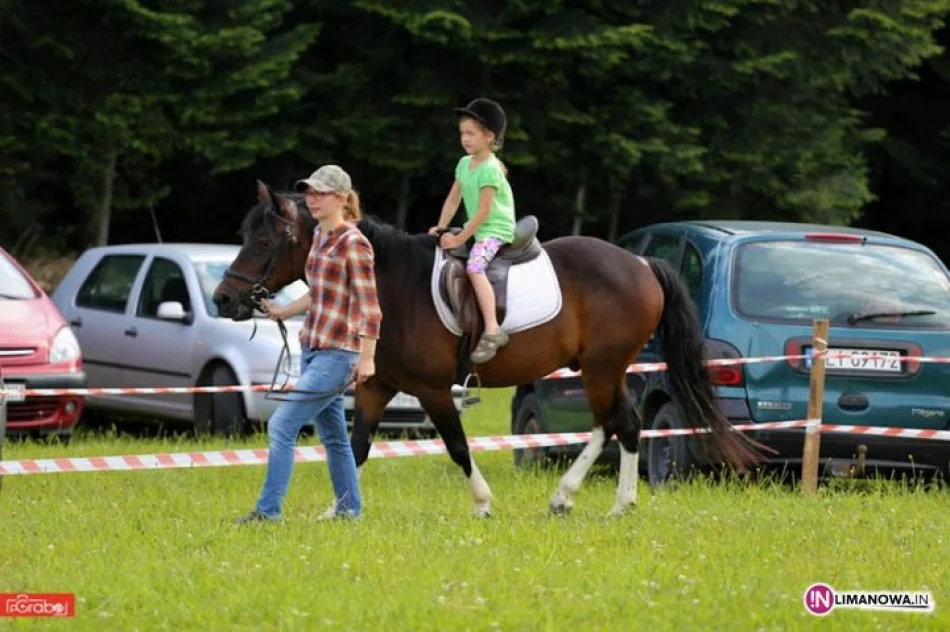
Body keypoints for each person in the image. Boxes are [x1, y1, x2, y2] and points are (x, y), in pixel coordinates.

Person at [235, 164, 382, 524]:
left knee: (282, 426)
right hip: (313, 350)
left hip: (339, 354)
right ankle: (350, 511)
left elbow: (369, 307)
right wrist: (284, 312)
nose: (311, 199)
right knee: (334, 438)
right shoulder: (318, 237)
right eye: (310, 193)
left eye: (321, 193)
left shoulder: (355, 243)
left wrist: (367, 359)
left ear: (343, 199)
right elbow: (319, 292)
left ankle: (268, 513)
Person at [429, 97, 517, 364]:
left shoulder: (490, 169)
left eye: (471, 133)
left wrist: (459, 237)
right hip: (476, 228)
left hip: (495, 228)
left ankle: (492, 329)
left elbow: (483, 212)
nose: (465, 139)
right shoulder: (464, 163)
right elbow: (454, 198)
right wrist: (442, 226)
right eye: (462, 133)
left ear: (489, 136)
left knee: (475, 267)